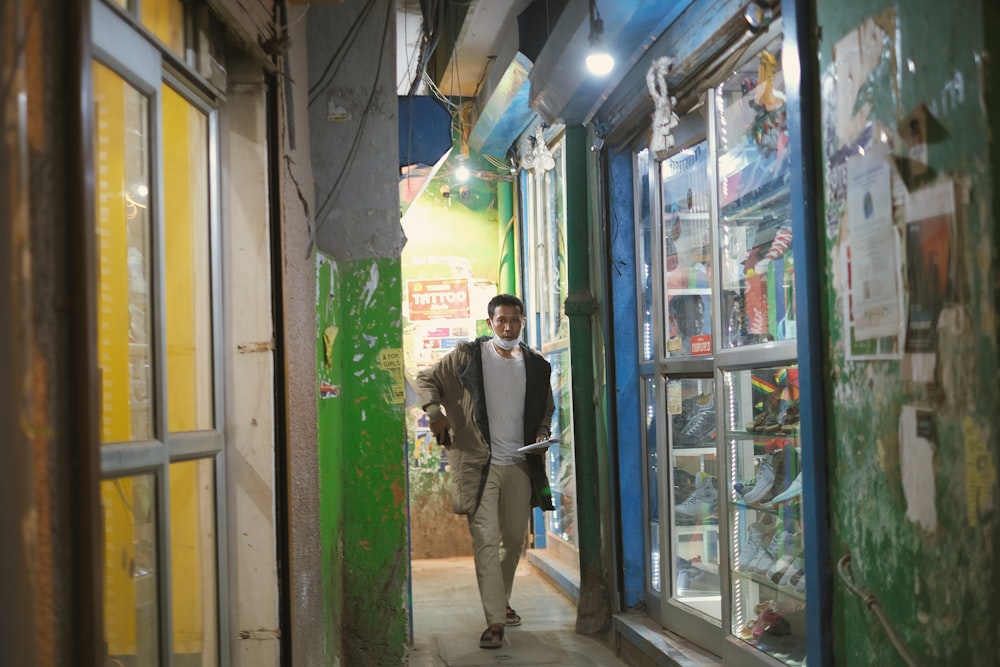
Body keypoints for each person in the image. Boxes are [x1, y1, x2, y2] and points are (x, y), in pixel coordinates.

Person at [415, 293, 555, 650]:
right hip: (479, 465)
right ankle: (495, 621)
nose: (507, 327)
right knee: (485, 542)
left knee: (514, 541)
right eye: (501, 320)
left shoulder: (537, 366)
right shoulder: (467, 358)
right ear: (490, 323)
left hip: (520, 463)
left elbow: (546, 409)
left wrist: (541, 433)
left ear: (523, 322)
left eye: (514, 320)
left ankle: (500, 600)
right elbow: (425, 379)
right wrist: (435, 414)